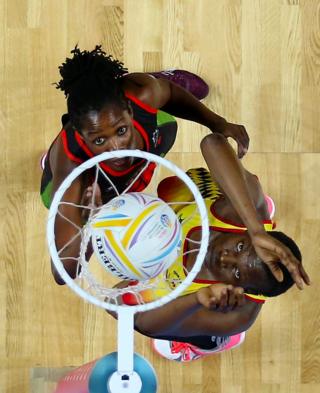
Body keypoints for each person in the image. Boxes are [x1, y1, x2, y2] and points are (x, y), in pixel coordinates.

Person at [40, 45, 249, 284]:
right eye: (99, 140)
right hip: (97, 191)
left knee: (167, 123)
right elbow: (63, 272)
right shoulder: (72, 175)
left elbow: (171, 93)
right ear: (79, 134)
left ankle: (159, 75)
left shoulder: (143, 94)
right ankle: (50, 161)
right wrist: (95, 219)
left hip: (135, 164)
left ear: (129, 111)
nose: (117, 148)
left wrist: (217, 122)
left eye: (121, 131)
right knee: (51, 200)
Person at [110, 133, 310, 362]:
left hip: (189, 293)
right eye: (241, 246)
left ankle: (206, 345)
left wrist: (196, 301)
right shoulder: (238, 218)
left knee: (191, 327)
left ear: (243, 290)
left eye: (235, 273)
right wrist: (254, 225)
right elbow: (212, 143)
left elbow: (131, 316)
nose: (225, 258)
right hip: (196, 202)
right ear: (245, 232)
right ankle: (247, 201)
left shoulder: (238, 315)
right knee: (190, 186)